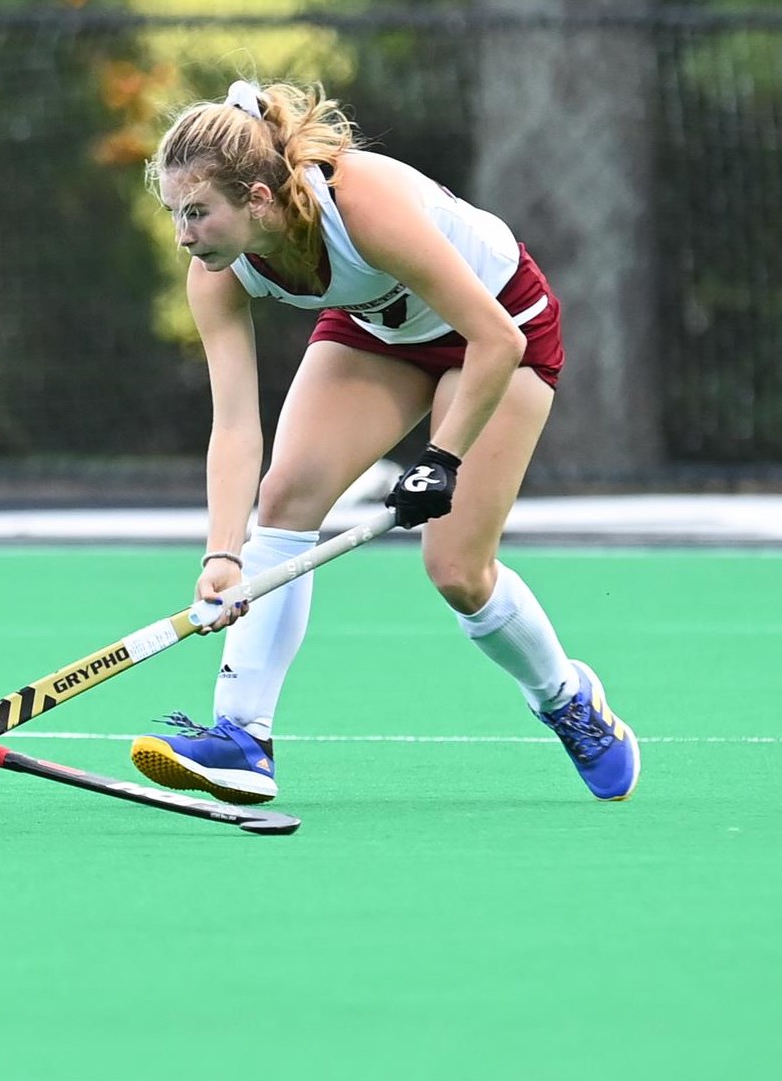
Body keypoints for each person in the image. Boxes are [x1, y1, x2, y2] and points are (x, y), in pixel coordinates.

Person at [129, 80, 638, 804]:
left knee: (457, 571)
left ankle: (565, 697)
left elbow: (496, 336)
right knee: (285, 495)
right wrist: (221, 554)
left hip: (495, 328)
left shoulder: (360, 203)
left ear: (257, 199)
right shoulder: (214, 275)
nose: (183, 234)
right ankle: (242, 737)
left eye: (197, 213)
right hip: (380, 328)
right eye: (176, 214)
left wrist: (441, 459)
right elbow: (235, 425)